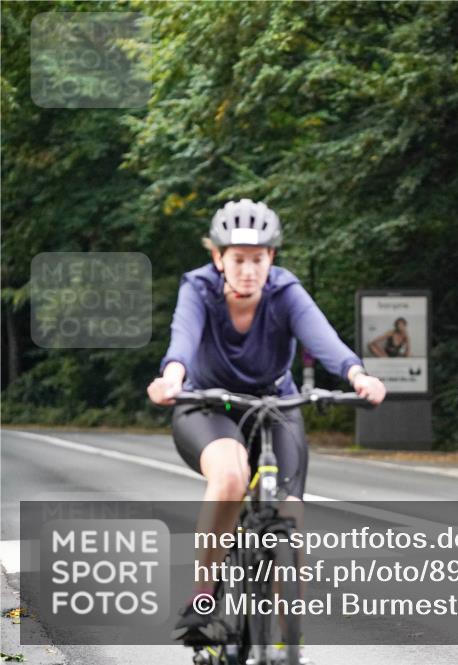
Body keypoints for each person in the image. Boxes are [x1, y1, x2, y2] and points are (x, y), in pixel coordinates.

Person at [146, 199, 386, 645]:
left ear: (271, 258)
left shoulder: (285, 291)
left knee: (289, 511)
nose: (249, 269)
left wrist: (358, 375)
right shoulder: (197, 289)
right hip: (207, 403)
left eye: (258, 259)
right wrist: (171, 378)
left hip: (276, 403)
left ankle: (284, 643)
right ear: (218, 258)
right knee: (232, 478)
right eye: (238, 259)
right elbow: (182, 336)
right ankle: (203, 598)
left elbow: (323, 338)